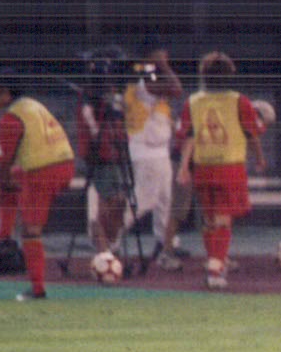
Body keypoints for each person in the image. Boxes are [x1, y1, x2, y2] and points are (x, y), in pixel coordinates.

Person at [175, 51, 266, 290]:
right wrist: (260, 158)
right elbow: (253, 134)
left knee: (209, 219)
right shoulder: (240, 101)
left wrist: (183, 167)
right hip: (230, 168)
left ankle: (215, 260)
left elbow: (189, 137)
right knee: (223, 219)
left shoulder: (193, 102)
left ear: (203, 75)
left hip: (203, 168)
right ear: (229, 75)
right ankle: (216, 270)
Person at [0, 69, 75, 300]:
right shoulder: (32, 105)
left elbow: (5, 162)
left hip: (42, 170)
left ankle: (37, 289)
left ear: (6, 92)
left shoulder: (10, 118)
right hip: (65, 164)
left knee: (30, 230)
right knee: (13, 182)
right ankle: (4, 236)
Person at [122, 45, 185, 269]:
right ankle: (111, 239)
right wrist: (163, 64)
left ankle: (165, 245)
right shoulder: (142, 75)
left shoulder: (150, 74)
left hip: (158, 148)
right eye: (160, 53)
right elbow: (176, 89)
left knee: (164, 202)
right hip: (146, 149)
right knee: (143, 200)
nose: (164, 56)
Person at [76, 57, 133, 258]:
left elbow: (122, 118)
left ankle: (111, 244)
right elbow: (91, 127)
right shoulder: (88, 101)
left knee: (119, 201)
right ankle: (103, 249)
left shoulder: (113, 99)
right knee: (107, 201)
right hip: (100, 157)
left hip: (116, 154)